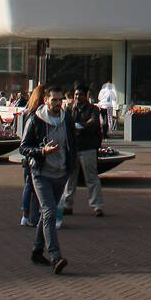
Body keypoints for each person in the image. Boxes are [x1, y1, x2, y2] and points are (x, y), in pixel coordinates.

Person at [19, 84, 77, 273]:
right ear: (46, 100)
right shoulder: (35, 119)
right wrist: (42, 151)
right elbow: (23, 147)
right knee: (50, 211)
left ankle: (37, 251)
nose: (58, 103)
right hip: (41, 173)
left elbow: (71, 142)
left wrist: (71, 164)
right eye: (54, 100)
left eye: (60, 100)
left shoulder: (66, 118)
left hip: (61, 173)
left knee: (46, 214)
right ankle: (55, 256)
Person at [59, 83, 104, 217]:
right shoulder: (69, 109)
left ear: (86, 96)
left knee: (91, 177)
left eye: (81, 95)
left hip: (88, 148)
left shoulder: (93, 109)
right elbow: (65, 125)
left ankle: (97, 206)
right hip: (73, 148)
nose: (78, 97)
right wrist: (82, 126)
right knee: (70, 178)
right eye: (76, 94)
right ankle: (67, 204)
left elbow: (94, 123)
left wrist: (79, 126)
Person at [19, 84, 45, 227]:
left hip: (29, 154)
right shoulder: (38, 115)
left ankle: (25, 214)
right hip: (34, 154)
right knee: (33, 186)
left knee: (28, 185)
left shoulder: (28, 112)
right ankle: (30, 216)